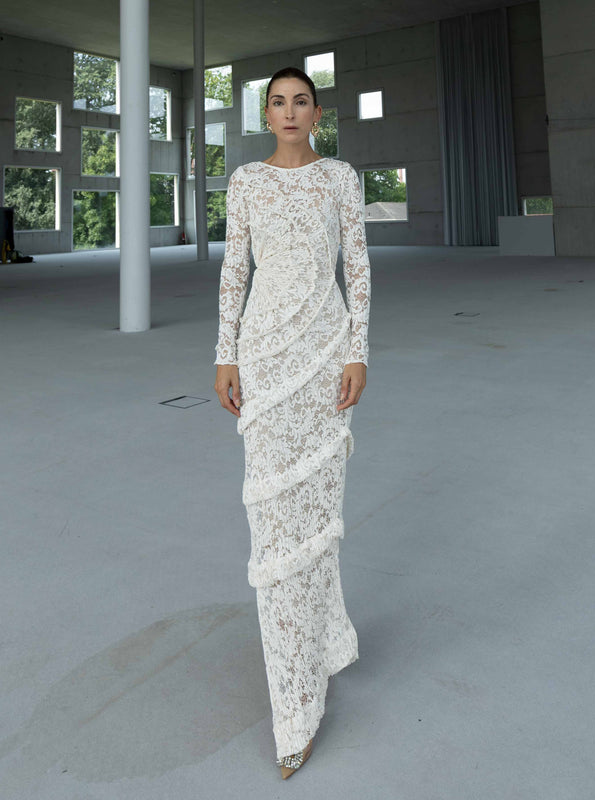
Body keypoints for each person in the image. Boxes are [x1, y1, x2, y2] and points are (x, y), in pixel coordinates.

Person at [213, 66, 371, 779]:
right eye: (276, 101)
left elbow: (358, 267)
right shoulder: (245, 180)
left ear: (316, 112)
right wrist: (225, 356)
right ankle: (295, 705)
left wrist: (359, 351)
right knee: (274, 523)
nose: (287, 111)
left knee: (320, 515)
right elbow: (233, 273)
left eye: (299, 100)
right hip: (266, 362)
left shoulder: (340, 177)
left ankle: (326, 640)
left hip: (324, 356)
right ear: (265, 113)